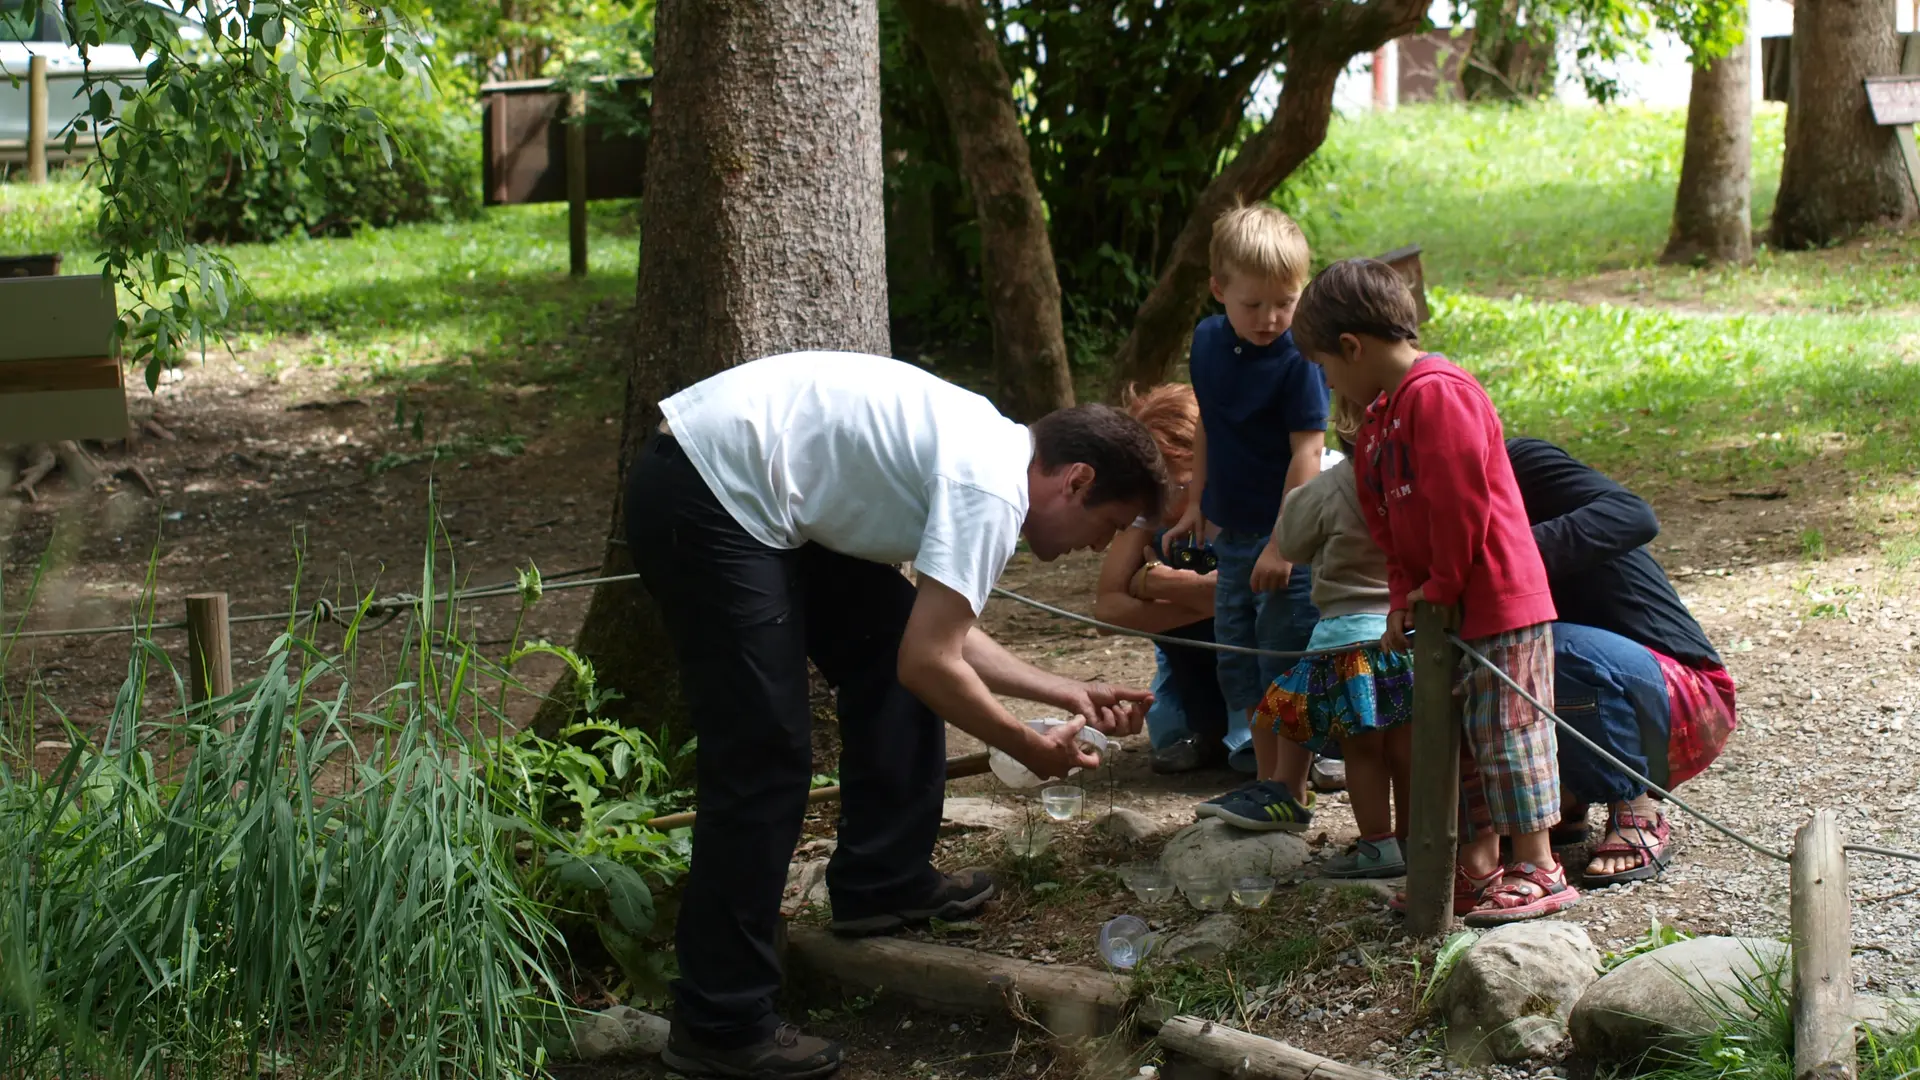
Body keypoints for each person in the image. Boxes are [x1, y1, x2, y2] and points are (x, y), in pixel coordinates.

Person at [626, 351, 1161, 1078]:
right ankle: (719, 1020)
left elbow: (928, 633)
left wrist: (1060, 689)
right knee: (764, 754)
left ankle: (882, 880)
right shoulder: (991, 487)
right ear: (1078, 480)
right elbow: (931, 662)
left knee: (883, 647)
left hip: (752, 491)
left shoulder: (993, 453)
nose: (1100, 546)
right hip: (708, 490)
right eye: (1110, 524)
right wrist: (1023, 745)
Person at [1294, 258, 1578, 927]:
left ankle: (1538, 863)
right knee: (1457, 739)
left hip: (1497, 601)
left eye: (1326, 368)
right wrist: (1403, 598)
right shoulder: (1379, 423)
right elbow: (1390, 528)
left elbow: (1461, 505)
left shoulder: (1437, 393)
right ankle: (1475, 867)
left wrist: (1441, 587)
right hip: (1440, 610)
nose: (1329, 383)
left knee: (1510, 730)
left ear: (1352, 348)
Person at [1506, 436, 1738, 886]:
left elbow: (1634, 515)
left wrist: (1506, 556)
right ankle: (1565, 801)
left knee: (1552, 649)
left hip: (1685, 693)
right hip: (1605, 681)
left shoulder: (1518, 462)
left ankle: (1635, 803)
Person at [1164, 204, 1329, 830]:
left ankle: (1292, 789)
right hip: (1232, 533)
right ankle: (1266, 786)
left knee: (1283, 661)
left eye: (1284, 303)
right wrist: (1195, 503)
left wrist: (1284, 545)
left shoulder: (1300, 358)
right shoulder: (1208, 342)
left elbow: (1307, 453)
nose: (1270, 320)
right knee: (1237, 654)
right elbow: (1211, 421)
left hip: (1287, 536)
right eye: (1253, 305)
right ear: (1218, 291)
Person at [1252, 392, 1414, 877]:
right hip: (1406, 634)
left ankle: (1377, 845)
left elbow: (1294, 542)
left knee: (1363, 750)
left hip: (1345, 640)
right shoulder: (1412, 484)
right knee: (1407, 748)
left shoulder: (1326, 488)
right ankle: (1413, 838)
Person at [1092, 383, 1234, 773]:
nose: (1165, 502)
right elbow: (1106, 611)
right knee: (1169, 730)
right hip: (1192, 666)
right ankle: (1204, 730)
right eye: (1155, 488)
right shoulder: (1152, 511)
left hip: (1253, 660)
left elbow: (1254, 600)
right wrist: (1208, 598)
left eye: (1181, 485)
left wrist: (1157, 583)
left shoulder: (1247, 504)